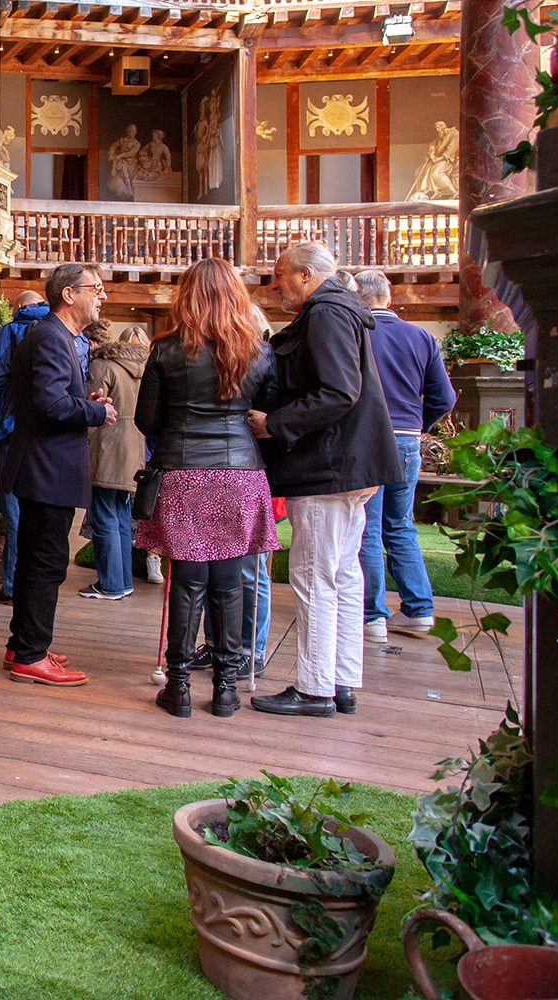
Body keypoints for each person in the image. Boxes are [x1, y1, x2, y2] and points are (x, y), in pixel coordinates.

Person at [246, 243, 402, 718]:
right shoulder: (341, 311)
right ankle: (340, 680)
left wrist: (275, 423)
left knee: (316, 575)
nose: (276, 286)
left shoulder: (327, 314)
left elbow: (337, 392)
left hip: (328, 467)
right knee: (342, 574)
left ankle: (315, 688)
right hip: (347, 464)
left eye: (281, 276)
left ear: (308, 275)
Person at [135, 259, 279, 718]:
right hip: (239, 474)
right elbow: (265, 415)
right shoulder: (257, 351)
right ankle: (226, 689)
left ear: (187, 296)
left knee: (187, 583)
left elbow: (147, 420)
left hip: (182, 472)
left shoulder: (166, 350)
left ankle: (177, 687)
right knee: (229, 585)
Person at [1, 264, 116, 687]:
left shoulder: (57, 336)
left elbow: (51, 397)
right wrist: (96, 411)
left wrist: (85, 399)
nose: (102, 297)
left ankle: (23, 644)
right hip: (47, 467)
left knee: (36, 559)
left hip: (45, 466)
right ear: (69, 294)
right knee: (46, 563)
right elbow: (50, 405)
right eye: (96, 289)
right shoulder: (51, 336)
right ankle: (30, 654)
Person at [353, 270, 456, 643]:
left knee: (368, 525)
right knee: (400, 525)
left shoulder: (359, 334)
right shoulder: (422, 337)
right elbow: (445, 397)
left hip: (370, 437)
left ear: (358, 297)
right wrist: (417, 425)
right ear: (388, 296)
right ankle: (418, 609)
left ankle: (371, 614)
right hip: (409, 440)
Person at [0, 290, 52, 602]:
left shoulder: (12, 331)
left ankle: (11, 584)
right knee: (43, 510)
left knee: (14, 509)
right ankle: (38, 584)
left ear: (19, 308)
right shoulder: (61, 329)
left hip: (12, 429)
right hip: (49, 432)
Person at [81, 323, 149, 600]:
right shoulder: (141, 368)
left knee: (104, 515)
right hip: (134, 448)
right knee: (120, 516)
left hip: (107, 447)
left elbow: (92, 409)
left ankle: (109, 583)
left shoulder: (101, 366)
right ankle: (122, 581)